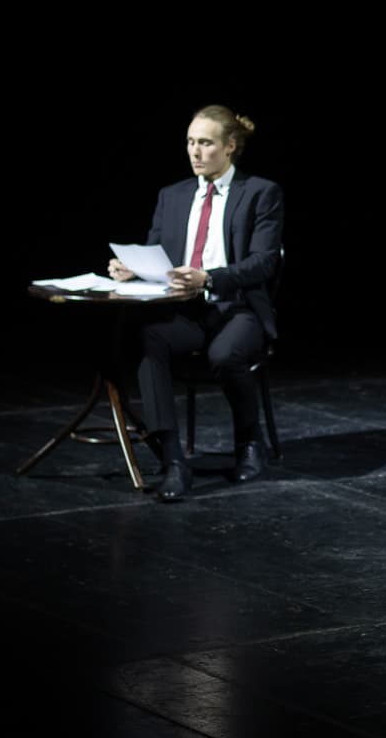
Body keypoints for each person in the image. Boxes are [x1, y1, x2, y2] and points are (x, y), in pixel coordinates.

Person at [108, 106, 283, 502]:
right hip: (188, 310)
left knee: (224, 355)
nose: (195, 151)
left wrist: (210, 278)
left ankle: (249, 442)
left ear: (230, 146)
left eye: (205, 142)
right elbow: (158, 253)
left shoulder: (260, 192)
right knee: (149, 337)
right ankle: (172, 460)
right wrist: (133, 268)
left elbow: (263, 262)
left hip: (238, 308)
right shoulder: (172, 195)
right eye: (190, 142)